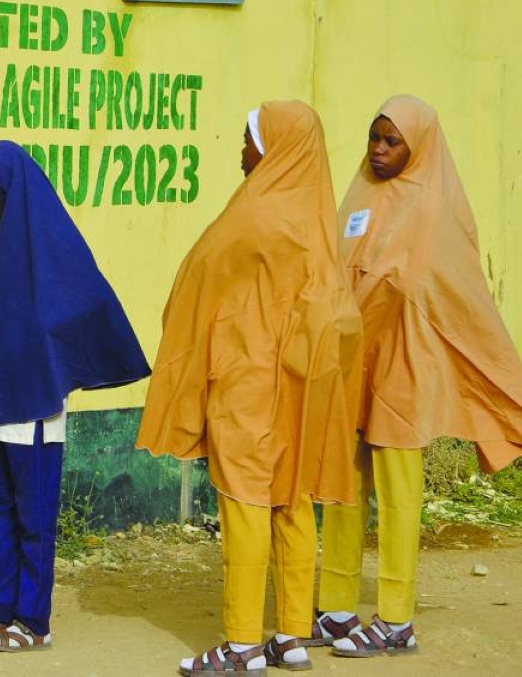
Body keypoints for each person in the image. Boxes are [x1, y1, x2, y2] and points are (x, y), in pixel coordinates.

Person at [312, 95, 522, 657]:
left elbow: (442, 290)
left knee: (398, 493)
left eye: (391, 142)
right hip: (352, 361)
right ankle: (339, 607)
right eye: (374, 138)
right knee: (344, 486)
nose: (377, 150)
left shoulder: (433, 206)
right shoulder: (360, 192)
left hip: (402, 363)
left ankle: (396, 619)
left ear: (417, 146)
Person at [136, 102, 364, 675]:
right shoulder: (315, 220)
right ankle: (288, 635)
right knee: (293, 504)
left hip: (248, 382)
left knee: (244, 506)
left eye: (247, 140)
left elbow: (198, 272)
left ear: (276, 147)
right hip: (301, 386)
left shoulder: (255, 213)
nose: (241, 151)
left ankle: (240, 643)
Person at [0, 139, 151, 653]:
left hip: (33, 412)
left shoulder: (50, 244)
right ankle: (1, 611)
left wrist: (55, 363)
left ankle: (34, 622)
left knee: (32, 518)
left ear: (8, 192)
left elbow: (83, 302)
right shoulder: (6, 243)